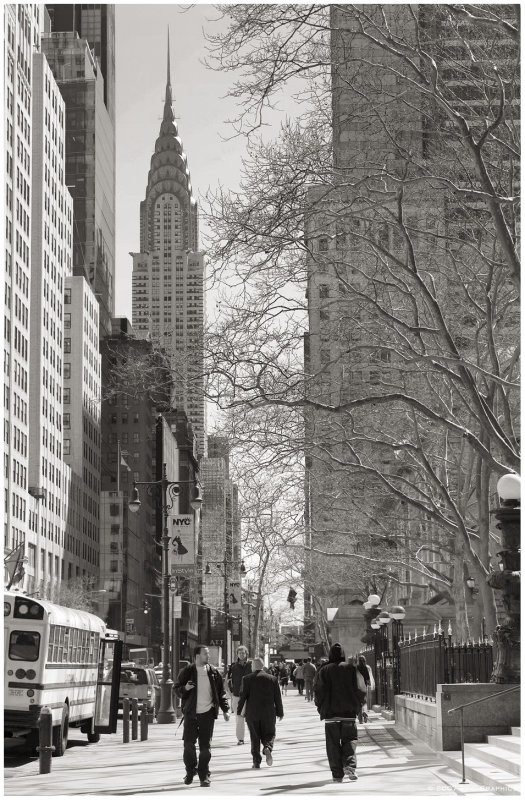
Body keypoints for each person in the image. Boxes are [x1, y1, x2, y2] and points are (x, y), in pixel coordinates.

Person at [174, 645, 230, 788]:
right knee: (188, 746)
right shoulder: (187, 672)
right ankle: (191, 770)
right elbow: (176, 689)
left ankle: (204, 775)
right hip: (191, 714)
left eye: (208, 653)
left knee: (205, 749)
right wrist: (185, 689)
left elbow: (221, 692)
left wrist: (225, 709)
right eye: (206, 653)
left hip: (207, 714)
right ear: (197, 656)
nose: (208, 656)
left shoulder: (214, 672)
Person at [314, 642, 366, 783]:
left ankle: (337, 775)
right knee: (349, 740)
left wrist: (320, 707)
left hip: (331, 714)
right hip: (349, 713)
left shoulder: (324, 670)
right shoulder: (351, 669)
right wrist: (359, 705)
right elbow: (361, 688)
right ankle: (349, 766)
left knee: (332, 744)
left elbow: (318, 691)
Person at [237, 657, 284, 769]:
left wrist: (239, 711)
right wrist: (280, 712)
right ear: (263, 666)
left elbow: (242, 697)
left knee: (255, 737)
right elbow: (277, 697)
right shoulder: (272, 679)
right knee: (270, 733)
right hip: (268, 713)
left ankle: (256, 761)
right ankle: (267, 747)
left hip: (252, 713)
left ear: (253, 666)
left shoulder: (246, 679)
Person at [227, 645, 252, 745]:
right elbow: (228, 680)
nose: (242, 655)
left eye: (243, 653)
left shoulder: (251, 665)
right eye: (240, 653)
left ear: (246, 654)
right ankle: (240, 739)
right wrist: (231, 692)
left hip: (251, 695)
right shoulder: (233, 666)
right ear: (237, 654)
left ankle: (254, 737)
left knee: (251, 717)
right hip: (237, 696)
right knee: (239, 718)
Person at [356, 655, 373, 723]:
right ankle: (364, 713)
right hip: (364, 687)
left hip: (357, 687)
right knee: (364, 701)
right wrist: (368, 684)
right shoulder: (365, 668)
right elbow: (368, 679)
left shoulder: (356, 668)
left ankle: (360, 719)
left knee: (358, 702)